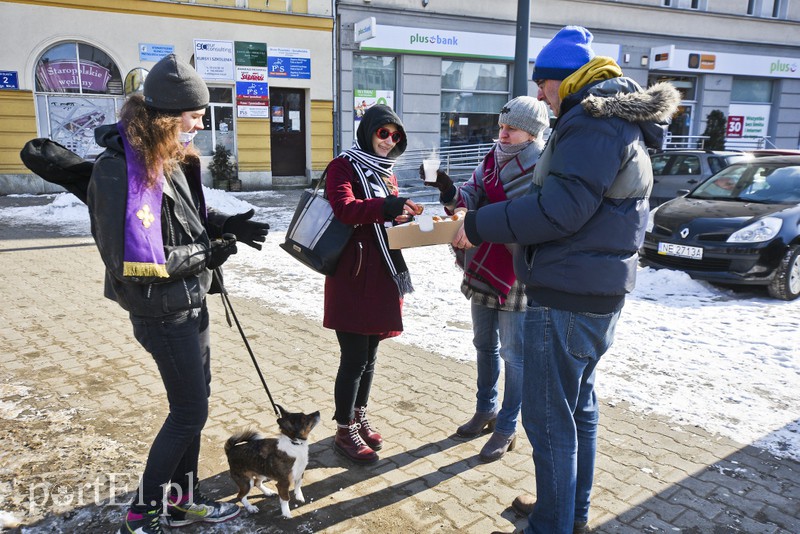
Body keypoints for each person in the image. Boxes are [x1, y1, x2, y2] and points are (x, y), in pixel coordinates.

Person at [454, 27, 680, 534]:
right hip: (592, 288)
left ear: (566, 79)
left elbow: (559, 212)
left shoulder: (592, 122)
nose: (538, 95)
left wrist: (476, 224)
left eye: (542, 83)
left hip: (569, 295)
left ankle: (552, 524)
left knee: (550, 420)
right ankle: (567, 513)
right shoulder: (610, 118)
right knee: (578, 410)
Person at [86, 54, 270, 534]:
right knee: (189, 411)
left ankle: (184, 498)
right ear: (167, 116)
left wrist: (228, 225)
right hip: (161, 312)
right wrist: (204, 256)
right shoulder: (117, 171)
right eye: (195, 115)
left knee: (194, 406)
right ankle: (143, 510)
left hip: (191, 303)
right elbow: (128, 261)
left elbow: (185, 220)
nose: (201, 123)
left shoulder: (166, 157)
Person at [421, 96, 550, 462]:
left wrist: (478, 222)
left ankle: (508, 426)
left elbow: (525, 218)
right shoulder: (493, 158)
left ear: (532, 132)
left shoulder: (542, 165)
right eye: (501, 127)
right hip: (483, 262)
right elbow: (471, 196)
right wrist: (447, 189)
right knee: (483, 343)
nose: (503, 134)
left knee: (514, 353)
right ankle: (486, 409)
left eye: (511, 129)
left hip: (515, 270)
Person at [324, 105, 421, 464]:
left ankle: (359, 414)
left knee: (371, 356)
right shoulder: (343, 166)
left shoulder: (387, 174)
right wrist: (386, 206)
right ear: (368, 132)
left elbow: (385, 217)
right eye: (383, 133)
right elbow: (346, 209)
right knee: (352, 358)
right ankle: (343, 427)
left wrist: (404, 217)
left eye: (396, 136)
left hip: (381, 275)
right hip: (352, 275)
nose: (389, 140)